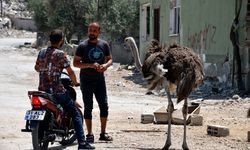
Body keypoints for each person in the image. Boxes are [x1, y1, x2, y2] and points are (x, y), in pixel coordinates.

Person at [34, 29, 95, 150]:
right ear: (61, 40)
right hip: (57, 91)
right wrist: (76, 82)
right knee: (75, 113)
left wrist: (45, 70)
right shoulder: (61, 54)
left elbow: (36, 67)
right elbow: (70, 71)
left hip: (42, 90)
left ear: (50, 40)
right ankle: (82, 143)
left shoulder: (41, 52)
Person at [73, 22, 113, 143]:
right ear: (88, 31)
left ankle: (103, 133)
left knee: (104, 106)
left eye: (94, 31)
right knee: (88, 107)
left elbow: (110, 59)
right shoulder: (82, 46)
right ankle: (89, 134)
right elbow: (75, 63)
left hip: (100, 81)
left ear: (99, 32)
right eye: (90, 30)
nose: (92, 32)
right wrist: (90, 65)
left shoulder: (104, 44)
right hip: (86, 81)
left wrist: (105, 66)